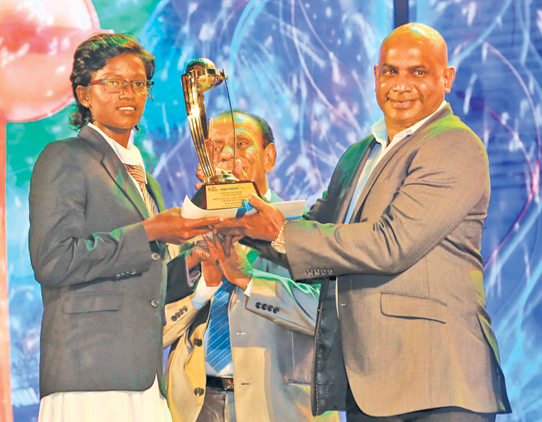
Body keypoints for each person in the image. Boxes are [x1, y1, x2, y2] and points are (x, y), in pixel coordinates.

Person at [217, 24, 512, 421]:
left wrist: (282, 232)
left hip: (438, 382)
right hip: (369, 382)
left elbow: (391, 244)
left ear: (447, 78)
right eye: (391, 71)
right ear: (375, 77)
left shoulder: (452, 144)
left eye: (418, 72)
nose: (401, 85)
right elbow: (313, 228)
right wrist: (235, 215)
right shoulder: (361, 153)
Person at [28, 33, 219, 422]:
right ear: (84, 95)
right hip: (89, 373)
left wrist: (191, 264)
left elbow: (146, 280)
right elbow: (53, 259)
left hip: (143, 375)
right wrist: (149, 232)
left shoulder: (146, 179)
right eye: (112, 82)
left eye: (137, 83)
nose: (127, 93)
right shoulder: (65, 157)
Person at [163, 110, 340, 422]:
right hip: (194, 408)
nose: (228, 156)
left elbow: (328, 317)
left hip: (280, 408)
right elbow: (153, 331)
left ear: (268, 156)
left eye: (241, 143)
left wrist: (246, 279)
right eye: (216, 148)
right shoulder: (183, 230)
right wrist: (205, 285)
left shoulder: (303, 228)